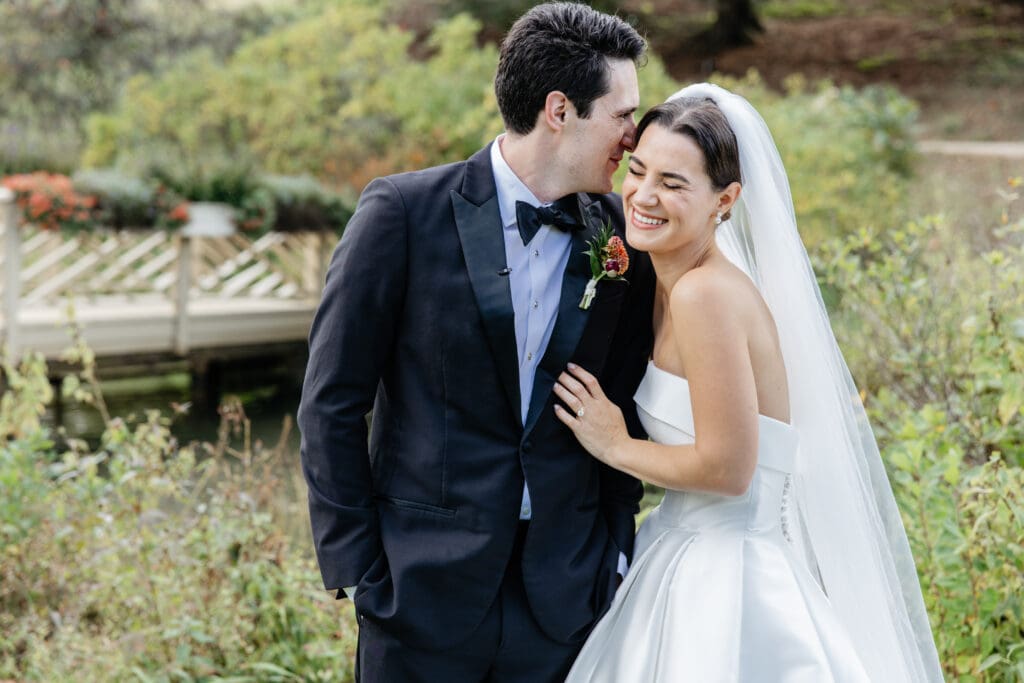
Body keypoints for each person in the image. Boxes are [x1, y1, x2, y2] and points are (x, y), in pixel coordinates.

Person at [297, 4, 656, 681]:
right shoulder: (400, 214)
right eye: (622, 114)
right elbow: (331, 401)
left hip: (563, 598)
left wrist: (613, 551)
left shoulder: (620, 235)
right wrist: (363, 569)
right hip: (418, 594)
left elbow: (625, 396)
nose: (635, 137)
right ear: (559, 110)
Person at [555, 84, 944, 681]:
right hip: (684, 549)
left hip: (726, 578)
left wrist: (614, 444)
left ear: (726, 199)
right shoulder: (671, 282)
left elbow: (729, 470)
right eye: (638, 170)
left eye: (674, 183)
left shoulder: (706, 295)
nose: (644, 195)